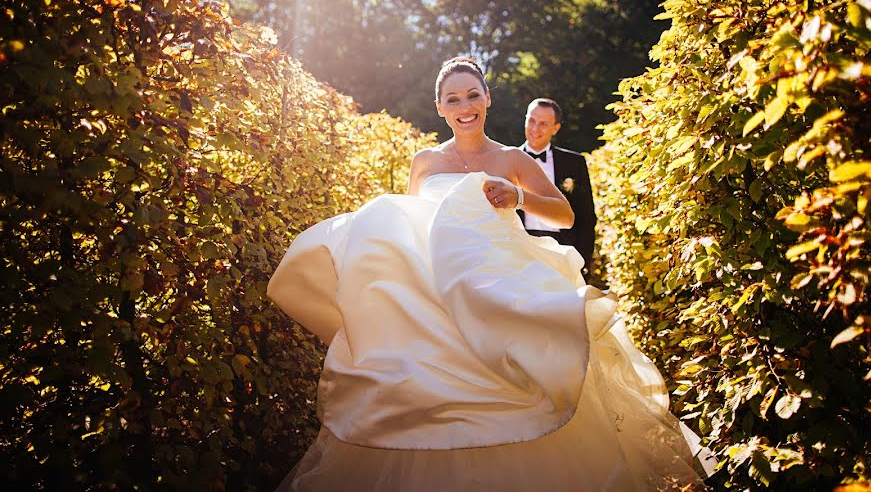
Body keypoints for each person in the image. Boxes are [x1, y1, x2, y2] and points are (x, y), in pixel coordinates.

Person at [267, 57, 711, 491]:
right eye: (453, 98)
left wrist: (518, 195)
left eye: (472, 95)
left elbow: (565, 214)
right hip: (438, 289)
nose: (465, 106)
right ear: (440, 107)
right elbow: (411, 225)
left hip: (500, 278)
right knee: (431, 383)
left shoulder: (512, 158)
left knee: (515, 375)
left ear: (488, 99)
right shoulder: (424, 162)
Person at [519, 98, 597, 276]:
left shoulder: (574, 163)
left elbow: (586, 216)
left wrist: (582, 260)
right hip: (520, 248)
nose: (534, 129)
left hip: (563, 249)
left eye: (543, 124)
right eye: (531, 120)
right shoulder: (506, 161)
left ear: (556, 128)